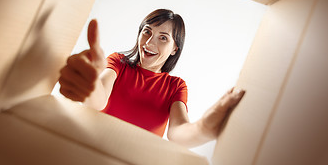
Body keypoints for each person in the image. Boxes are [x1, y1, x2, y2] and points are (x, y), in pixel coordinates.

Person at [59, 9, 245, 148]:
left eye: (163, 38)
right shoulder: (118, 62)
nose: (149, 43)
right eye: (147, 31)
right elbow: (99, 98)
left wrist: (204, 128)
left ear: (174, 49)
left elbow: (177, 132)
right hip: (89, 149)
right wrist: (91, 86)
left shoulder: (175, 86)